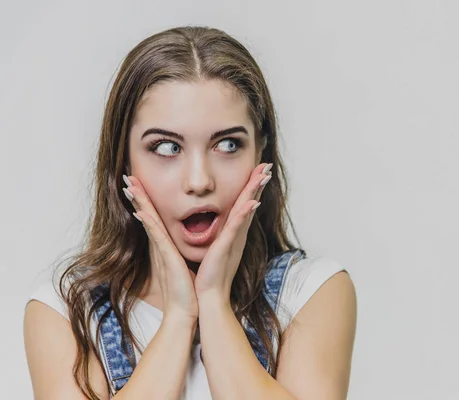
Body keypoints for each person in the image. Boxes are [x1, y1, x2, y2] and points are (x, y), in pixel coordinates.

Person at [23, 25, 357, 400]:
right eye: (166, 148)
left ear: (260, 153)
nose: (199, 181)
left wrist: (213, 302)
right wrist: (179, 318)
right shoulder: (66, 311)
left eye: (228, 144)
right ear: (124, 162)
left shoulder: (309, 292)